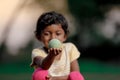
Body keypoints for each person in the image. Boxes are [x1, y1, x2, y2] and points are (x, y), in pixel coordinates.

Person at [30, 11, 84, 80]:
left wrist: (55, 78)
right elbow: (44, 66)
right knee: (39, 74)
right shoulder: (37, 52)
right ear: (38, 36)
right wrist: (51, 55)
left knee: (76, 76)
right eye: (47, 34)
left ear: (65, 36)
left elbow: (76, 73)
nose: (53, 38)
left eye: (58, 34)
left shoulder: (70, 48)